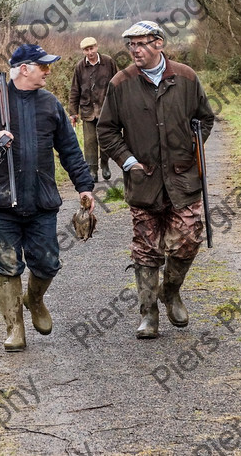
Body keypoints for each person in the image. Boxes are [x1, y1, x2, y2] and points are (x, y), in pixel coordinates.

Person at [0, 44, 95, 352]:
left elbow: (69, 149)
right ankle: (14, 328)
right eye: (43, 66)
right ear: (25, 68)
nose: (48, 71)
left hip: (42, 201)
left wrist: (84, 186)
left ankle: (35, 299)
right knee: (7, 266)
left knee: (47, 263)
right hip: (1, 203)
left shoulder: (50, 103)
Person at [97, 21, 214, 339]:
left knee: (188, 240)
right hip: (143, 180)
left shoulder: (186, 77)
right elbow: (106, 129)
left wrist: (191, 148)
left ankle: (171, 291)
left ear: (159, 44)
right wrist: (128, 160)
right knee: (146, 250)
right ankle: (148, 314)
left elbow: (205, 117)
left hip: (182, 179)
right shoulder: (120, 84)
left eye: (142, 43)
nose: (135, 50)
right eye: (130, 45)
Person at [69, 37, 118, 182]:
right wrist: (73, 112)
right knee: (90, 141)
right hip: (87, 111)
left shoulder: (108, 62)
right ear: (83, 51)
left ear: (97, 47)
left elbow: (118, 83)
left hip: (106, 110)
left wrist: (119, 105)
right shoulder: (79, 67)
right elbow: (74, 91)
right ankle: (92, 170)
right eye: (86, 50)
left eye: (92, 48)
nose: (90, 52)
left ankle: (104, 164)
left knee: (104, 139)